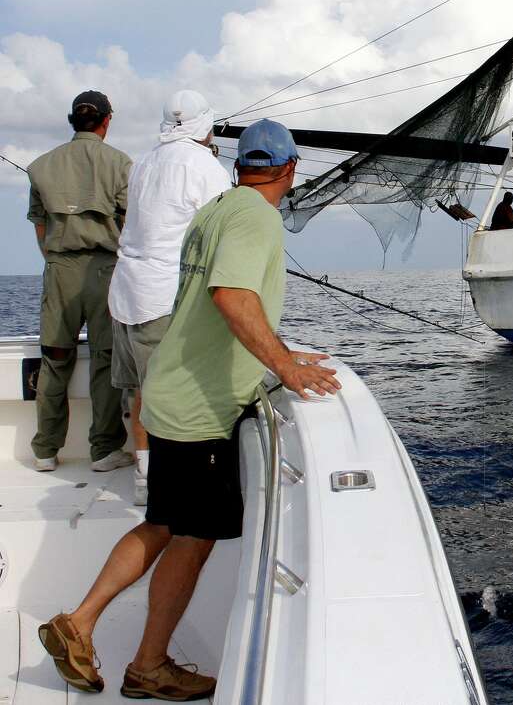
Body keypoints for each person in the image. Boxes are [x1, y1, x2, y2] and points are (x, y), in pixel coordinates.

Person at [38, 118, 340, 700]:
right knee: (189, 534)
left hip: (171, 390)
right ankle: (137, 658)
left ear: (240, 166)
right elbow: (230, 296)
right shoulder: (257, 217)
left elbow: (206, 303)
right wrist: (286, 367)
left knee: (165, 524)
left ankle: (87, 628)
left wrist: (278, 349)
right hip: (199, 408)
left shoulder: (220, 208)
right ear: (290, 169)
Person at [108, 90, 229, 505]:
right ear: (204, 125)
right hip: (163, 295)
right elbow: (220, 229)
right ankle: (163, 481)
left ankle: (145, 474)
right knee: (168, 390)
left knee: (142, 389)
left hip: (126, 291)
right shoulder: (205, 165)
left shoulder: (143, 160)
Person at [27, 90, 132, 473]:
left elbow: (41, 226)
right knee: (106, 360)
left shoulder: (40, 166)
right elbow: (131, 224)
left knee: (55, 359)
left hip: (59, 272)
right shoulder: (121, 164)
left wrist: (57, 261)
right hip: (107, 272)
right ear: (107, 120)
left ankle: (44, 450)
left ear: (74, 120)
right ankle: (103, 450)